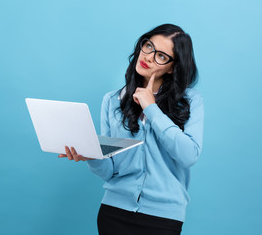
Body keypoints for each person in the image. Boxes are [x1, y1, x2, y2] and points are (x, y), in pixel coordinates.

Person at [58, 24, 204, 235]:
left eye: (161, 56)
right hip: (114, 212)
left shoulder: (190, 101)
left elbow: (189, 155)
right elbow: (109, 172)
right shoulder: (112, 100)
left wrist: (151, 108)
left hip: (163, 218)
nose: (148, 56)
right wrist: (90, 154)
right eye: (148, 46)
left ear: (172, 67)